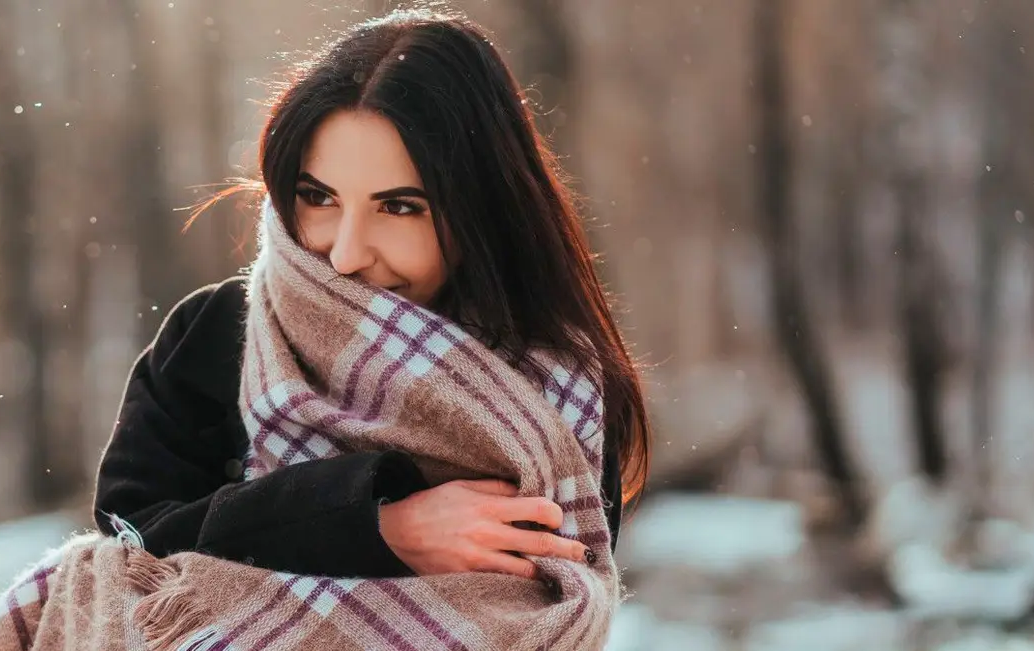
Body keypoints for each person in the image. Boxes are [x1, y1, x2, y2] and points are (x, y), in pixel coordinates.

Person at [92, 7, 650, 583]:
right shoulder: (217, 331)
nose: (346, 254)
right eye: (319, 197)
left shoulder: (555, 383)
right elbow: (128, 550)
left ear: (482, 213)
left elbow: (559, 602)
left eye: (399, 207)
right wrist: (375, 529)